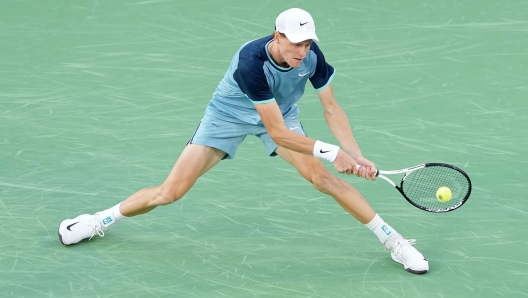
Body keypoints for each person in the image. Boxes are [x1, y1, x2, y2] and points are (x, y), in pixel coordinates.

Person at [58, 8, 429, 274]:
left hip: (280, 113)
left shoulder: (311, 57)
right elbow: (278, 134)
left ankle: (394, 241)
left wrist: (354, 153)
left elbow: (331, 107)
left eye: (307, 43)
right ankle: (97, 220)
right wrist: (332, 151)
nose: (302, 51)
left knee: (324, 179)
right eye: (295, 43)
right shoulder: (251, 62)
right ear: (278, 36)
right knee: (169, 193)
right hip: (227, 118)